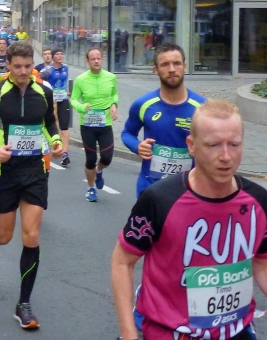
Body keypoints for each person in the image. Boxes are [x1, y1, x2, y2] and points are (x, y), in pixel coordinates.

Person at [111, 99, 267, 340]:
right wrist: (128, 332)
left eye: (234, 144)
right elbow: (122, 262)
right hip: (171, 332)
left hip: (236, 331)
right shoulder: (160, 199)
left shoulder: (259, 201)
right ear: (191, 146)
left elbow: (262, 263)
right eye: (213, 145)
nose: (226, 156)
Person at [0, 42, 62, 331]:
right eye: (18, 67)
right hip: (5, 173)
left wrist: (56, 141)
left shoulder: (43, 92)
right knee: (7, 235)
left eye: (28, 66)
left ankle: (24, 304)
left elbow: (50, 123)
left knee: (31, 235)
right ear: (7, 65)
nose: (23, 72)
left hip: (35, 171)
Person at [121, 43, 206, 197]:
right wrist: (137, 146)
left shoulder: (201, 107)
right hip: (151, 190)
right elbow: (127, 133)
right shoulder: (143, 104)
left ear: (185, 67)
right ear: (156, 70)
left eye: (177, 63)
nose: (172, 69)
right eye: (165, 64)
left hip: (188, 191)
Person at [69, 47, 118, 202]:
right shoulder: (81, 79)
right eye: (93, 59)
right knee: (90, 159)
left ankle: (99, 171)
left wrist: (114, 104)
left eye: (99, 58)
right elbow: (73, 99)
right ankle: (91, 189)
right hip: (87, 124)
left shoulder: (111, 77)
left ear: (102, 60)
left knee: (107, 158)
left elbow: (114, 94)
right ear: (87, 61)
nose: (96, 61)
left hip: (105, 123)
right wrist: (82, 107)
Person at [39, 48, 71, 166]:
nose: (60, 56)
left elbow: (64, 81)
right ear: (53, 57)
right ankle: (57, 146)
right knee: (55, 124)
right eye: (57, 54)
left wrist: (67, 91)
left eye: (61, 54)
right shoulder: (47, 70)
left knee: (65, 127)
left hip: (63, 100)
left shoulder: (66, 67)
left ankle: (65, 154)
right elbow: (38, 81)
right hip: (52, 101)